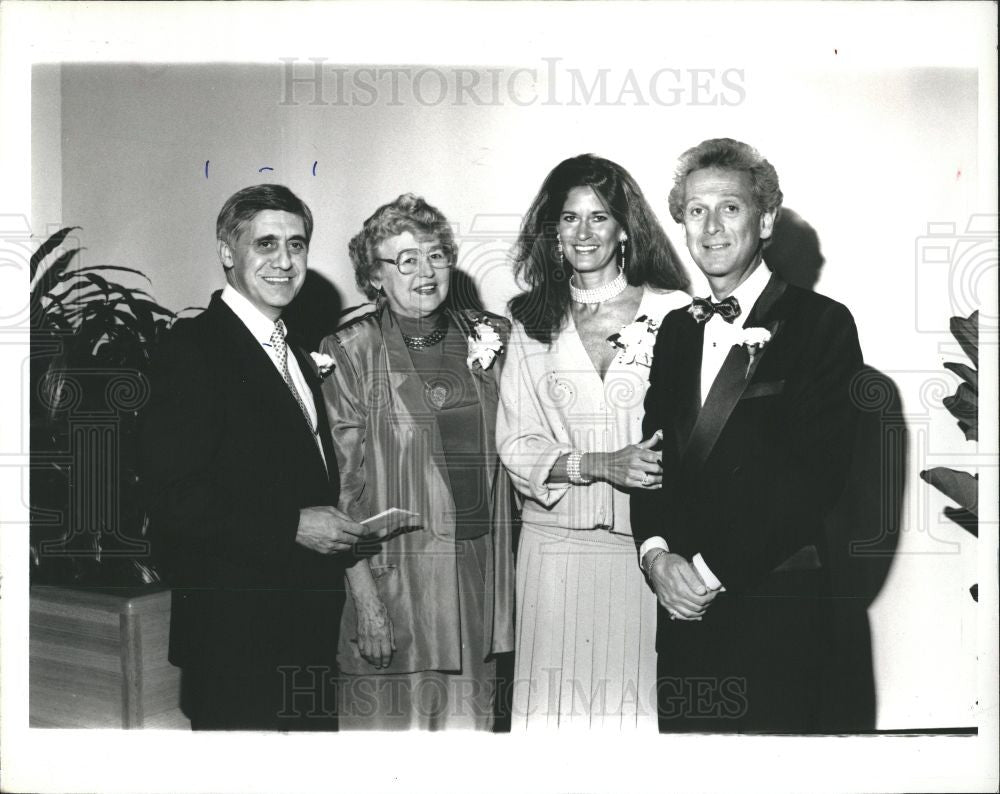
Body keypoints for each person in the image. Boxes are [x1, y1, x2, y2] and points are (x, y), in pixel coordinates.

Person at [631, 138, 864, 732]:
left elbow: (815, 482)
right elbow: (651, 459)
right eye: (694, 210)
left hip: (775, 617)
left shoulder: (823, 325)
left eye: (728, 209)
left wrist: (704, 574)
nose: (710, 227)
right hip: (680, 619)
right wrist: (656, 556)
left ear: (764, 220)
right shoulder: (676, 332)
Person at [139, 184, 362, 730]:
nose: (285, 261)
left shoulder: (295, 348)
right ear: (226, 254)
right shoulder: (193, 349)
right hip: (233, 639)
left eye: (297, 244)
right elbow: (172, 496)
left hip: (304, 625)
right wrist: (290, 525)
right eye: (265, 244)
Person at [496, 154, 691, 731]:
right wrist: (597, 464)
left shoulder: (673, 313)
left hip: (645, 549)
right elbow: (517, 442)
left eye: (599, 217)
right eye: (568, 219)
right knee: (551, 717)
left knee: (633, 715)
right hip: (552, 554)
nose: (583, 234)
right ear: (552, 232)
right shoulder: (529, 319)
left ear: (625, 227)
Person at [321, 193, 515, 730]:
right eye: (405, 260)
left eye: (435, 254)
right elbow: (341, 487)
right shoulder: (350, 350)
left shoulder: (492, 337)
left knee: (467, 744)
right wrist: (364, 597)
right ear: (375, 276)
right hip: (395, 581)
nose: (426, 271)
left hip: (477, 578)